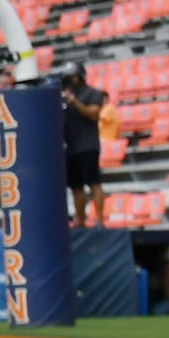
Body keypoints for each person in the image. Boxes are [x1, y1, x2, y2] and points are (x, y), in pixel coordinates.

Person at [59, 65, 109, 226]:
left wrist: (75, 102)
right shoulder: (64, 96)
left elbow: (93, 114)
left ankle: (100, 219)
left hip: (87, 145)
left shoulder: (93, 94)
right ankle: (81, 221)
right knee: (76, 186)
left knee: (94, 182)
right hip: (70, 146)